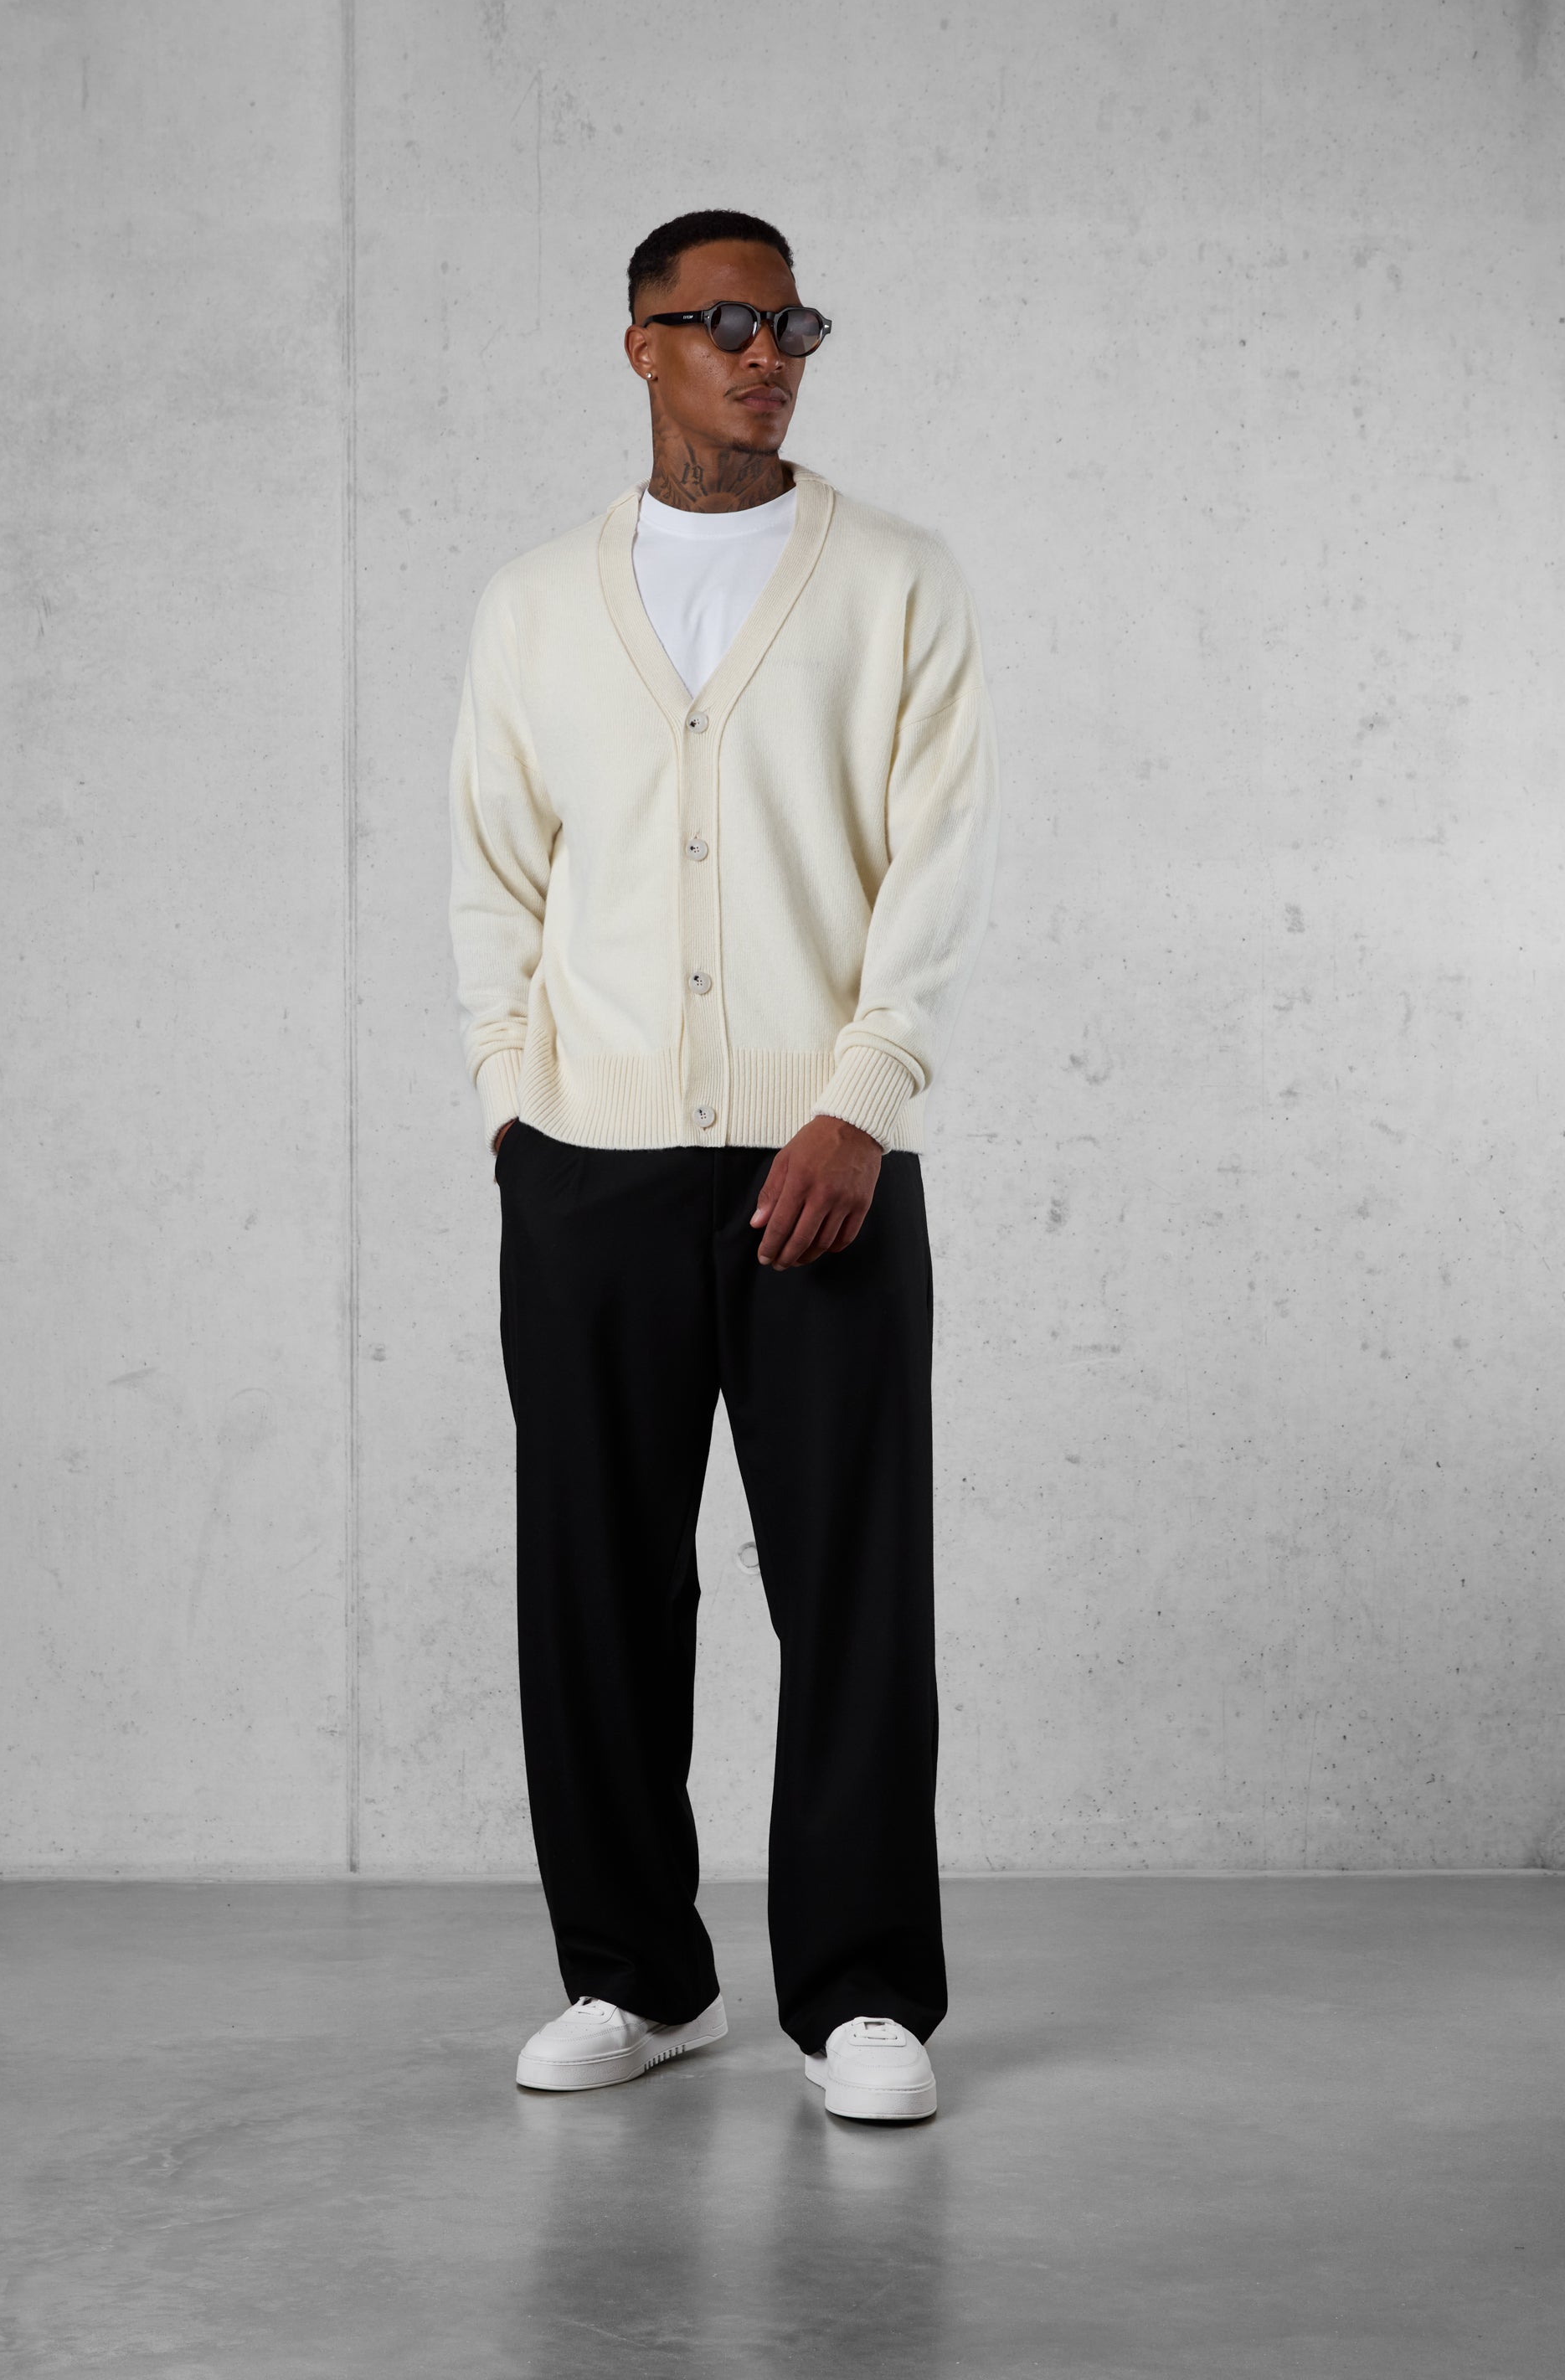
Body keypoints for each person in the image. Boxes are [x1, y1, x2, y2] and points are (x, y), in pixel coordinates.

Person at [448, 209, 1000, 2122]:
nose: (771, 356)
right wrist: (511, 1106)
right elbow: (492, 872)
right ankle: (633, 1975)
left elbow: (934, 863)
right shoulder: (535, 603)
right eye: (729, 322)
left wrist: (865, 1095)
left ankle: (863, 1998)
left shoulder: (898, 582)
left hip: (825, 1154)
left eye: (794, 325)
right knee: (594, 1586)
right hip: (584, 1168)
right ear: (642, 346)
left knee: (851, 1587)